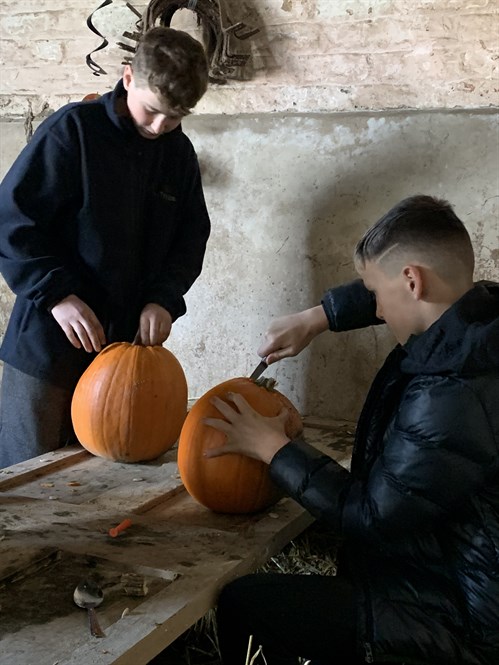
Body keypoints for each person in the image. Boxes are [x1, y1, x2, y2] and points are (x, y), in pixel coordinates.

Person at [204, 195, 499, 665]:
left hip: (463, 620)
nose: (378, 311)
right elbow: (392, 287)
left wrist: (275, 449)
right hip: (457, 569)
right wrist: (317, 318)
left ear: (412, 281)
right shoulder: (478, 322)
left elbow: (370, 515)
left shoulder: (452, 394)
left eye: (377, 294)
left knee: (248, 603)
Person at [0, 27, 211, 468]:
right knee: (28, 480)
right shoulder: (72, 131)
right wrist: (57, 296)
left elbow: (190, 239)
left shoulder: (178, 154)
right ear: (129, 77)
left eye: (175, 117)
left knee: (100, 476)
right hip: (48, 340)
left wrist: (163, 300)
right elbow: (13, 220)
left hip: (123, 350)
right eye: (153, 111)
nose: (159, 127)